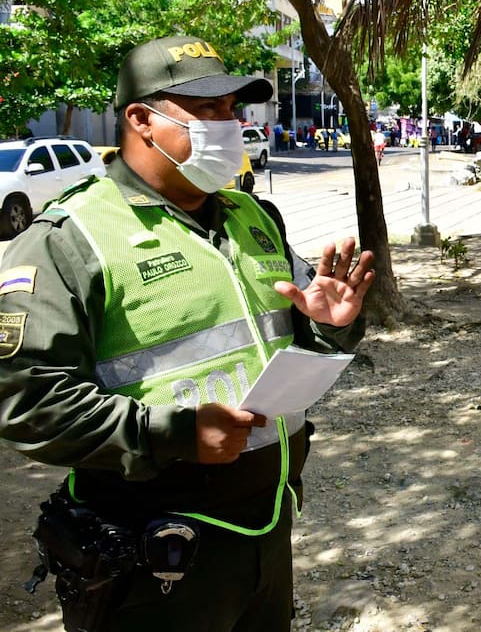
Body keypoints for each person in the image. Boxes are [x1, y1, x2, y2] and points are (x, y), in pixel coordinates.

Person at [0, 35, 376, 632]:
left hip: (267, 524)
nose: (230, 124)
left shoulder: (252, 216)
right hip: (154, 559)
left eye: (231, 108)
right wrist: (171, 434)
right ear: (140, 120)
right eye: (206, 109)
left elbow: (287, 339)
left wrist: (332, 326)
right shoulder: (68, 239)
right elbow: (26, 403)